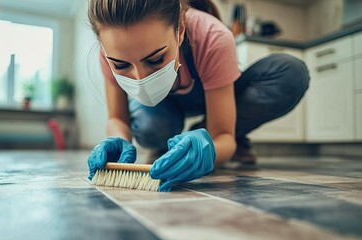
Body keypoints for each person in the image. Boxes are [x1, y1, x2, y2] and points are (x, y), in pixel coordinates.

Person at [87, 0, 309, 191]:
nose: (139, 78)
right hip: (162, 111)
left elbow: (224, 137)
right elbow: (117, 118)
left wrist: (212, 149)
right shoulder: (109, 50)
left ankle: (199, 137)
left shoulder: (212, 36)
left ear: (180, 29)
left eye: (155, 60)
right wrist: (117, 140)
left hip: (215, 96)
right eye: (121, 65)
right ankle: (177, 142)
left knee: (291, 74)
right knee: (150, 129)